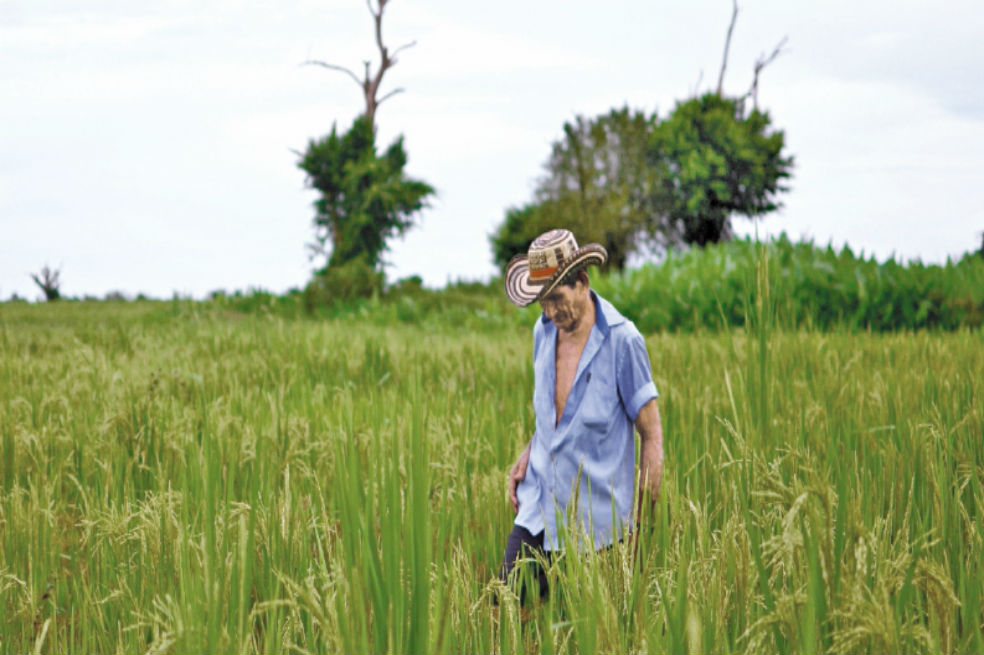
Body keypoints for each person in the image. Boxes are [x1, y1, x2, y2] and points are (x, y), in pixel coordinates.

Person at [499, 228, 664, 600]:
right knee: (505, 613)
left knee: (584, 634)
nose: (551, 311)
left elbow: (651, 434)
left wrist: (640, 523)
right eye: (542, 301)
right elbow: (553, 417)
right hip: (538, 510)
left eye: (557, 298)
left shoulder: (623, 341)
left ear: (582, 283)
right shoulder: (542, 333)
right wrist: (527, 454)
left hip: (598, 529)